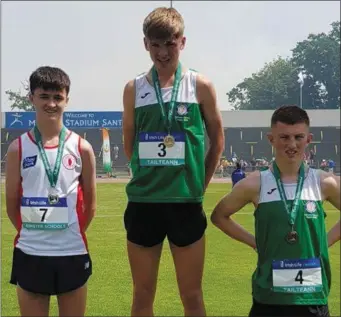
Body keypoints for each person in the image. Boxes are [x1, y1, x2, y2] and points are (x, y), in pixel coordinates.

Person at [122, 7, 224, 317]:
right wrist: (148, 175)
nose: (163, 52)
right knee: (142, 295)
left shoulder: (200, 85)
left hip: (185, 203)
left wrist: (198, 185)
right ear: (145, 44)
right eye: (155, 44)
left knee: (192, 295)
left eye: (170, 43)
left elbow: (217, 140)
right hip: (144, 202)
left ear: (182, 42)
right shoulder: (133, 88)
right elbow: (130, 143)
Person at [211, 105, 340, 317]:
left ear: (309, 139)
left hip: (312, 295)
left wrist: (325, 242)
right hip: (269, 296)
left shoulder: (323, 182)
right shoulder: (255, 184)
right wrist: (255, 242)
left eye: (299, 137)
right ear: (271, 139)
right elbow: (219, 216)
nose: (292, 144)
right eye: (284, 137)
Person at [5, 66, 96, 317]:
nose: (51, 103)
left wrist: (68, 231)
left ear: (67, 98)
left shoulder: (82, 147)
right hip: (30, 251)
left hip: (72, 251)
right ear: (31, 98)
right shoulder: (17, 149)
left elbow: (91, 205)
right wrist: (36, 233)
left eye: (58, 97)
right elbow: (12, 205)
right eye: (44, 96)